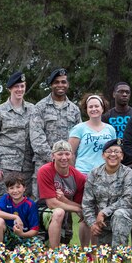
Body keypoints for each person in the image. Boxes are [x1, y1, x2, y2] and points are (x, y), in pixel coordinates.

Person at [30, 68, 82, 196]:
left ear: (67, 84)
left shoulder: (74, 110)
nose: (60, 85)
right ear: (51, 85)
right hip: (45, 165)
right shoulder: (40, 107)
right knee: (42, 204)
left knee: (67, 204)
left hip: (67, 167)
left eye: (63, 82)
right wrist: (55, 159)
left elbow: (79, 137)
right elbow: (37, 138)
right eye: (56, 82)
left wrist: (67, 160)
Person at [82, 139, 132, 247]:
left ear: (122, 156)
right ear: (103, 155)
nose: (113, 154)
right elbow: (87, 203)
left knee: (119, 214)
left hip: (127, 215)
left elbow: (128, 200)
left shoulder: (128, 173)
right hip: (103, 220)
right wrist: (92, 224)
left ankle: (119, 255)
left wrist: (104, 212)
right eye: (109, 151)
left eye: (117, 151)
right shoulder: (94, 174)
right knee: (105, 256)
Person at [0, 71, 35, 197]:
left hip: (27, 167)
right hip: (5, 167)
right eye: (16, 86)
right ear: (10, 89)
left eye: (22, 86)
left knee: (25, 203)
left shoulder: (33, 109)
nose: (19, 89)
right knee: (4, 202)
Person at [36, 140, 88, 248]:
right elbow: (52, 204)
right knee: (59, 212)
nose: (64, 158)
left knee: (88, 214)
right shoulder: (44, 171)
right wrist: (77, 209)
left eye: (67, 154)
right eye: (60, 154)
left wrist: (65, 200)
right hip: (43, 208)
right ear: (53, 156)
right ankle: (54, 252)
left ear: (72, 155)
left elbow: (80, 205)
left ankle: (87, 250)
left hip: (66, 211)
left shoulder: (79, 177)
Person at [69, 93, 116, 174]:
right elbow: (70, 153)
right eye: (90, 107)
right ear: (86, 109)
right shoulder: (78, 129)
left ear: (102, 108)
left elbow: (114, 152)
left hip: (105, 173)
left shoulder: (110, 129)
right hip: (83, 173)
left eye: (97, 106)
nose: (94, 109)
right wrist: (74, 174)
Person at [0, 173, 41, 248]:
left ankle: (20, 250)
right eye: (11, 188)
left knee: (35, 248)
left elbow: (35, 230)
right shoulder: (5, 198)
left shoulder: (30, 204)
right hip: (8, 235)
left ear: (24, 188)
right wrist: (15, 217)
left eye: (18, 187)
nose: (15, 191)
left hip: (24, 235)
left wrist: (22, 234)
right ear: (7, 190)